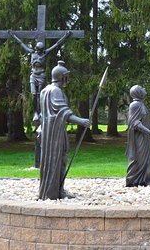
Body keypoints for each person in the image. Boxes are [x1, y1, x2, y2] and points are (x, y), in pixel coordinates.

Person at [39, 61, 90, 200]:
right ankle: (55, 191)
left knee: (53, 160)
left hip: (50, 132)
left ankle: (54, 189)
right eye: (66, 76)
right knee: (59, 160)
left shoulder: (44, 90)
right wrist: (81, 121)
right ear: (62, 77)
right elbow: (62, 112)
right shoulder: (55, 90)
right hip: (55, 134)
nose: (68, 79)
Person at [9, 30, 71, 122]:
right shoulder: (32, 53)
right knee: (34, 94)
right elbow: (21, 43)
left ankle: (41, 112)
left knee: (40, 94)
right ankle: (35, 112)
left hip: (41, 75)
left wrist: (65, 36)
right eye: (37, 49)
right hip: (33, 75)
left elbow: (56, 45)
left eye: (40, 50)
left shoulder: (45, 53)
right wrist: (13, 36)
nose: (38, 51)